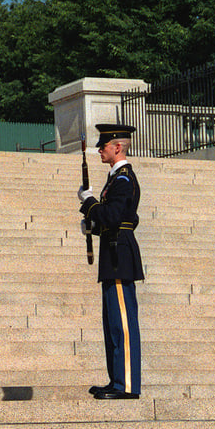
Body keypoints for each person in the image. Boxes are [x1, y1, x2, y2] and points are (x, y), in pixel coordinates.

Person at [78, 124, 144, 399]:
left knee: (123, 324)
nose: (99, 150)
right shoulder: (116, 178)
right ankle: (117, 380)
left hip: (119, 255)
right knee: (113, 323)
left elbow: (116, 216)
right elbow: (124, 218)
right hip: (113, 252)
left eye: (104, 145)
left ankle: (127, 384)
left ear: (117, 147)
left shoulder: (124, 179)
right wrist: (93, 227)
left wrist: (90, 202)